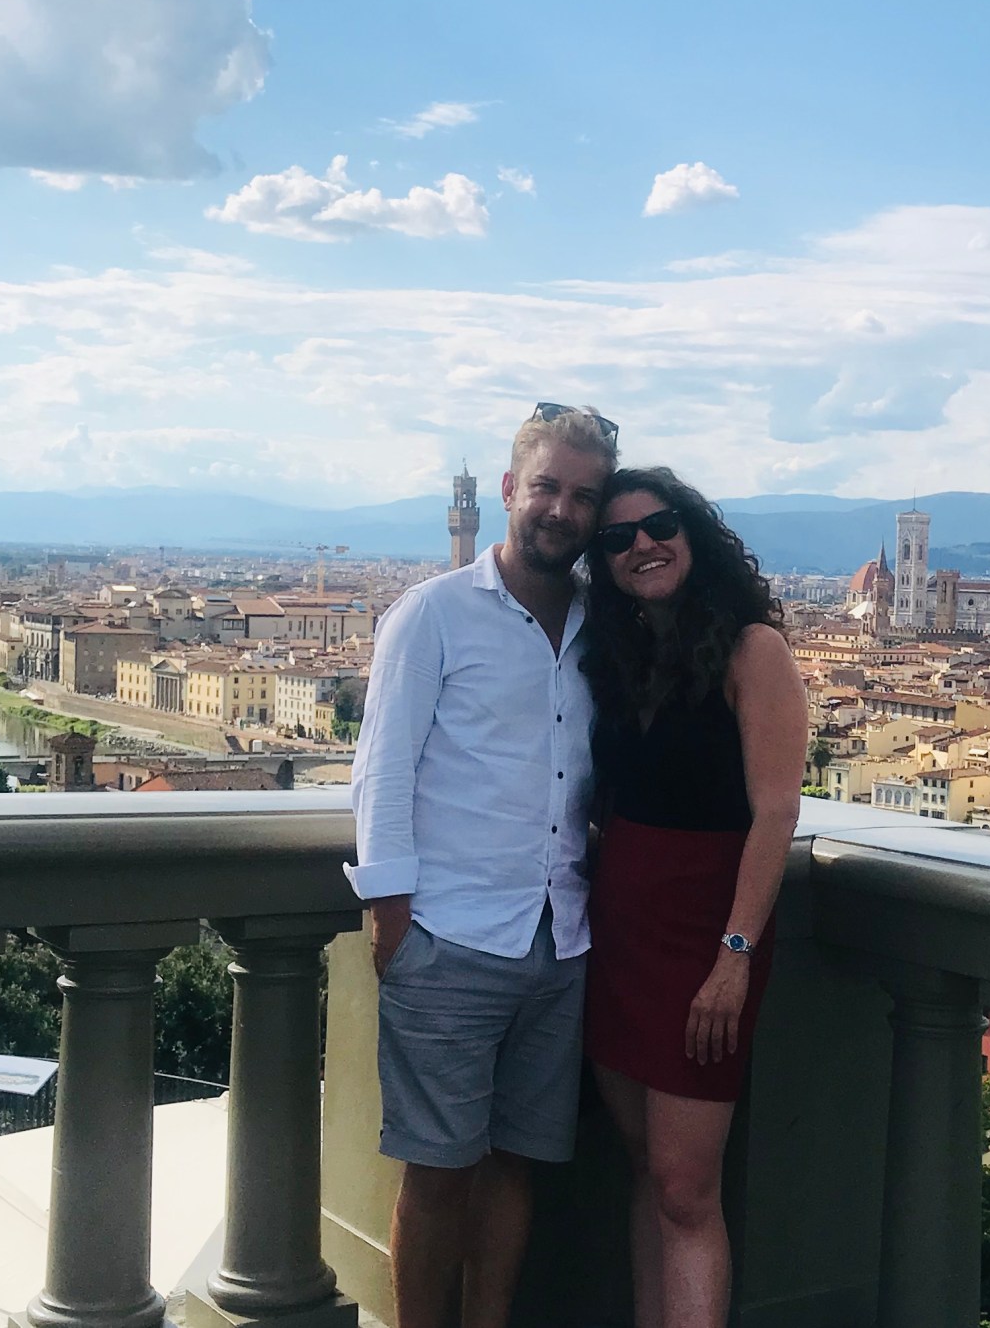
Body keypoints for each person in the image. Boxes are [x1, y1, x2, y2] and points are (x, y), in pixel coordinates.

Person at [346, 403, 618, 1328]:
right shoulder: (432, 613)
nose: (561, 510)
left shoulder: (599, 627)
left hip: (561, 938)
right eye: (546, 487)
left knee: (516, 1165)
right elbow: (383, 770)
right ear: (506, 490)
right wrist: (393, 920)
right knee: (436, 1173)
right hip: (449, 936)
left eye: (583, 496)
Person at [579, 467, 808, 1328]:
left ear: (694, 534)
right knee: (647, 1172)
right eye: (617, 538)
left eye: (659, 525)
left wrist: (734, 957)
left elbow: (776, 811)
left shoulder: (755, 651)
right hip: (619, 936)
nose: (642, 545)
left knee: (685, 1190)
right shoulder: (625, 657)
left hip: (705, 943)